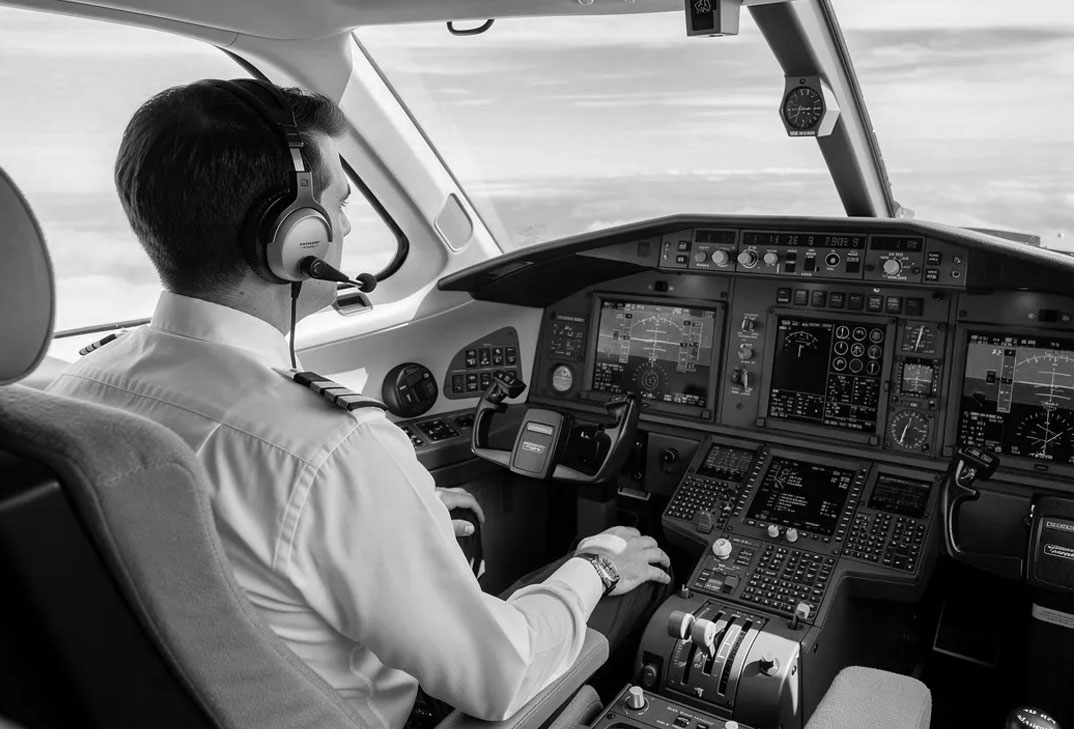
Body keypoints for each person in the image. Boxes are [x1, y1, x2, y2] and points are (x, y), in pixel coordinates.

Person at [47, 79, 671, 729]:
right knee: (638, 572)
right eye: (339, 206)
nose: (344, 226)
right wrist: (596, 563)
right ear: (293, 238)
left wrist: (398, 515)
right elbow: (501, 677)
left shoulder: (76, 393)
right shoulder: (326, 450)